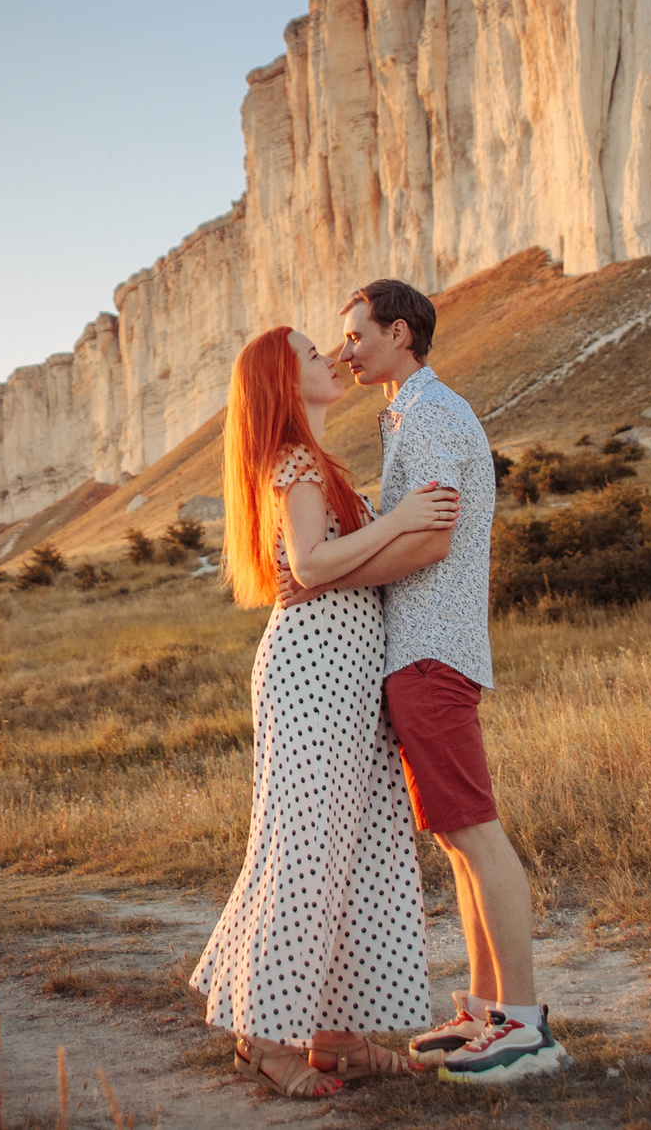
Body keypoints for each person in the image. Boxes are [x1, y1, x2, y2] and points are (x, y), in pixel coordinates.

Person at [189, 325, 461, 1099]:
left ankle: (339, 1035)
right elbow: (310, 565)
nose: (331, 359)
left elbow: (347, 566)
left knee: (360, 846)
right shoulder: (298, 459)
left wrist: (403, 529)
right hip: (314, 669)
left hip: (343, 669)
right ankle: (267, 1036)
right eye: (312, 353)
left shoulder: (310, 458)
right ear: (283, 379)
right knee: (305, 849)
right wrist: (404, 519)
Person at [330, 277, 573, 1083]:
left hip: (433, 649)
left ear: (399, 332)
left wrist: (333, 574)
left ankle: (524, 1024)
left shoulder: (433, 412)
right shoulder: (403, 412)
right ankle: (482, 1008)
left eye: (358, 334)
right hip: (420, 651)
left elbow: (432, 537)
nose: (347, 349)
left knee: (474, 829)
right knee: (454, 834)